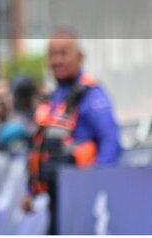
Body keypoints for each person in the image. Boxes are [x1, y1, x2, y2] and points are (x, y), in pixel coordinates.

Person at [23, 29, 121, 233]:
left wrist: (97, 182)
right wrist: (30, 191)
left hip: (81, 199)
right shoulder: (54, 98)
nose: (57, 61)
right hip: (56, 196)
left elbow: (110, 140)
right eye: (52, 54)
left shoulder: (92, 95)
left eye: (64, 53)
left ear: (80, 57)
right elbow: (42, 150)